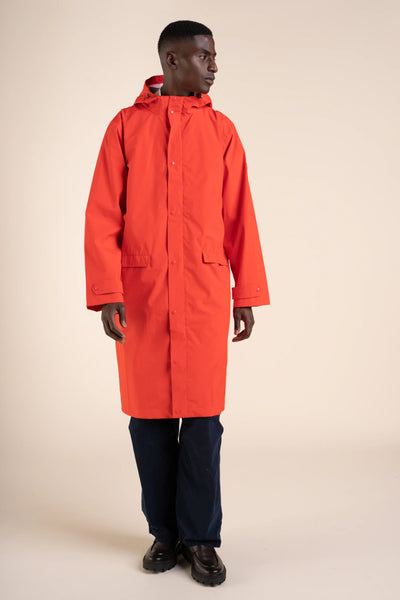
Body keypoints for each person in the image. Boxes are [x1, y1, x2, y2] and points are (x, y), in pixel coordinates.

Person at [84, 19, 270, 587]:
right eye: (203, 56)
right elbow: (102, 214)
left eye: (213, 56)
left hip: (204, 294)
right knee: (149, 422)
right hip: (142, 296)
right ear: (172, 60)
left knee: (204, 422)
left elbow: (239, 215)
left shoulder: (222, 131)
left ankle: (201, 538)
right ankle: (164, 533)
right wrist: (107, 292)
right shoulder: (125, 126)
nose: (214, 66)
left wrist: (245, 292)